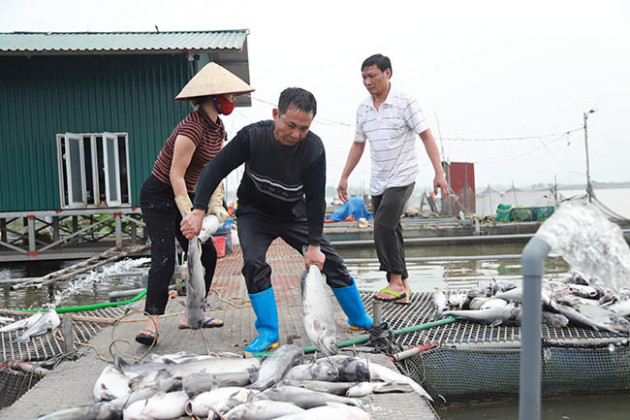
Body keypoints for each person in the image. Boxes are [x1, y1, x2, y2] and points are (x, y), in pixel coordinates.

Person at [181, 87, 373, 354]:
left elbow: (316, 199)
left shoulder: (313, 149)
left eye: (304, 128)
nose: (296, 134)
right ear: (276, 115)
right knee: (253, 264)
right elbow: (215, 169)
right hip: (254, 214)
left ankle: (359, 319)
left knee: (330, 261)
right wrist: (199, 209)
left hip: (294, 214)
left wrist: (314, 245)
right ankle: (269, 332)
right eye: (291, 125)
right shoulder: (252, 137)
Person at [135, 63, 254, 345]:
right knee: (164, 256)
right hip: (159, 195)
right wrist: (191, 216)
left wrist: (214, 206)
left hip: (186, 195)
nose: (232, 101)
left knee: (208, 255)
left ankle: (194, 312)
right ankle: (151, 323)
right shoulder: (191, 129)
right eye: (230, 96)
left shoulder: (217, 128)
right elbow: (175, 174)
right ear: (214, 98)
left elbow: (213, 170)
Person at [337, 54, 449, 305]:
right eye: (364, 77)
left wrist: (438, 173)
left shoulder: (405, 102)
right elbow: (358, 144)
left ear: (388, 73)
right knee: (392, 228)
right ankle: (403, 285)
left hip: (403, 175)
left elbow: (426, 136)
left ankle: (395, 281)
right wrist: (344, 176)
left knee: (383, 225)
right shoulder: (363, 109)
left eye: (372, 76)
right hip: (379, 179)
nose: (367, 81)